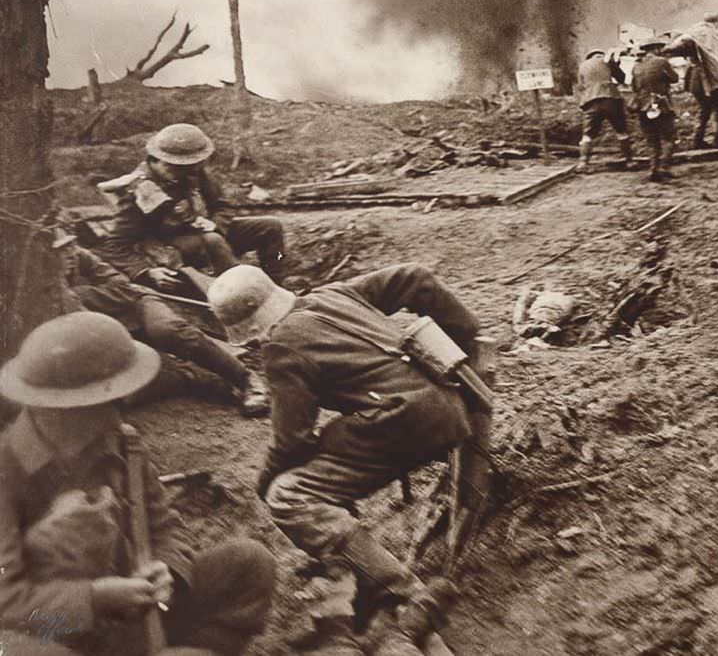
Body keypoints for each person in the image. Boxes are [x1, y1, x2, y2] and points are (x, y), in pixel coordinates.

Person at [207, 264, 480, 656]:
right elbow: (414, 277)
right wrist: (465, 338)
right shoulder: (332, 293)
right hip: (448, 401)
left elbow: (292, 441)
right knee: (326, 452)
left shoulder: (281, 346)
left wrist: (264, 482)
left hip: (404, 422)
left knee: (289, 496)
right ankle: (358, 571)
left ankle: (403, 595)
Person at [0, 312, 276, 655]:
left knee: (249, 563)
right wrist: (95, 598)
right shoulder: (6, 472)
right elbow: (5, 603)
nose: (118, 415)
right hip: (53, 627)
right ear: (55, 408)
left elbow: (164, 525)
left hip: (134, 617)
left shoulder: (123, 444)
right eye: (107, 402)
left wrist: (168, 570)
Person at [55, 230, 269, 416]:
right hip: (107, 331)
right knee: (133, 386)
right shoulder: (39, 281)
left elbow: (123, 289)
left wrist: (77, 295)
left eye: (70, 246)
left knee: (168, 330)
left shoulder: (82, 257)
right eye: (60, 250)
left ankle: (245, 378)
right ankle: (208, 382)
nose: (69, 254)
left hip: (136, 306)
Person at [101, 124, 285, 290]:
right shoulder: (137, 190)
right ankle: (241, 292)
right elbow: (115, 246)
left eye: (188, 166)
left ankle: (276, 286)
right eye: (173, 167)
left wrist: (215, 224)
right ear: (155, 159)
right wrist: (146, 271)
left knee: (270, 226)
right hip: (171, 249)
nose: (182, 172)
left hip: (208, 235)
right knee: (213, 240)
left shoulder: (191, 172)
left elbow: (223, 205)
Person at [665, 12, 718, 149]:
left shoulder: (693, 32)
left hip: (694, 79)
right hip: (709, 77)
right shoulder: (716, 36)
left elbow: (675, 47)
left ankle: (697, 140)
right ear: (717, 22)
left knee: (705, 108)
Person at [630, 38, 679, 182]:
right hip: (660, 104)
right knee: (669, 137)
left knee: (651, 140)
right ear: (656, 49)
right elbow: (674, 78)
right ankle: (664, 168)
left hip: (642, 106)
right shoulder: (661, 62)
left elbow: (634, 87)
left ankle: (653, 169)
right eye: (660, 48)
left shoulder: (636, 66)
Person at [576, 49, 632, 172]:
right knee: (621, 131)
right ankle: (629, 161)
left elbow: (581, 85)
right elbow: (621, 78)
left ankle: (583, 163)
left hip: (591, 101)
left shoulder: (583, 66)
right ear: (601, 54)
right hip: (610, 99)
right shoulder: (607, 61)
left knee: (587, 134)